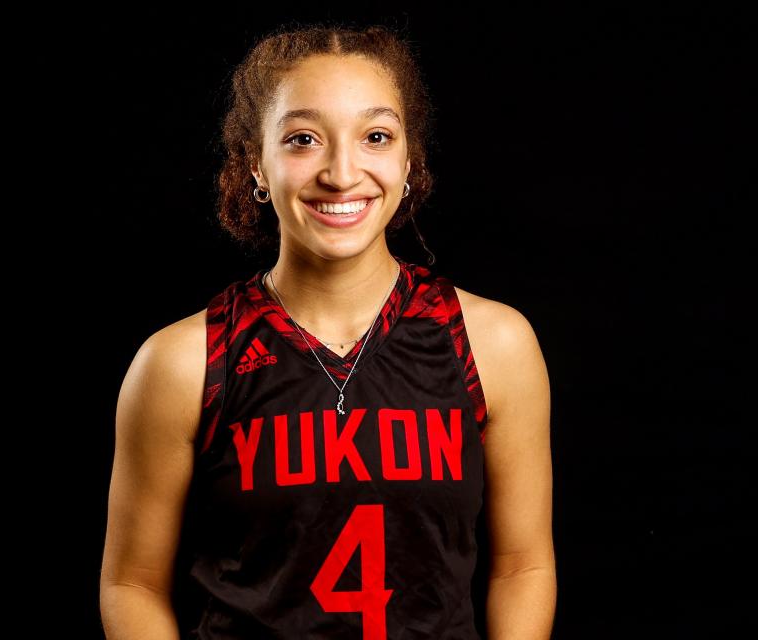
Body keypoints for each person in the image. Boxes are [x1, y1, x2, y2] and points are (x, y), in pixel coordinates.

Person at [100, 22, 556, 639]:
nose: (343, 173)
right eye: (304, 139)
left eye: (375, 136)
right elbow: (132, 584)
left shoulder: (493, 343)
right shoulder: (182, 361)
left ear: (408, 159)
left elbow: (522, 565)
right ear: (255, 164)